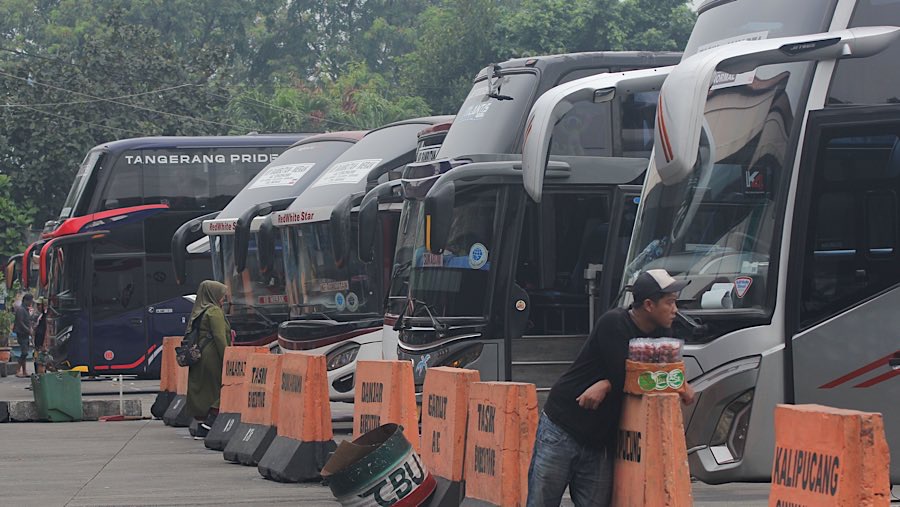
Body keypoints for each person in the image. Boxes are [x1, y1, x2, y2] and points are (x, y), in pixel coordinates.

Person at [526, 269, 696, 507]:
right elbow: (626, 375)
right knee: (541, 501)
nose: (675, 310)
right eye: (670, 303)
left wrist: (680, 383)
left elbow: (654, 377)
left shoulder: (662, 333)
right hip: (564, 427)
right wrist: (610, 382)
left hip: (600, 442)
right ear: (649, 305)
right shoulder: (614, 323)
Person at [184, 280, 231, 438]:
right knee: (221, 389)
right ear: (213, 294)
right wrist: (228, 358)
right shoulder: (214, 312)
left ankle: (201, 424)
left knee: (203, 390)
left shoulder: (198, 311)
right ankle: (208, 424)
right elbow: (219, 337)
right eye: (222, 295)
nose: (223, 299)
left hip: (199, 356)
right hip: (213, 357)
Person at [13, 293, 34, 378]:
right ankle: (18, 370)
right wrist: (28, 330)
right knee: (24, 352)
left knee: (25, 352)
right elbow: (20, 322)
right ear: (26, 300)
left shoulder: (25, 309)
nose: (31, 303)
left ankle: (24, 371)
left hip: (25, 333)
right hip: (21, 333)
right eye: (30, 301)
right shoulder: (21, 310)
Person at [33, 297, 49, 374]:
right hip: (38, 343)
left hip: (42, 344)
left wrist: (44, 344)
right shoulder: (40, 316)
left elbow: (46, 331)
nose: (37, 306)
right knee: (37, 361)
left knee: (41, 362)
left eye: (39, 305)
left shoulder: (46, 317)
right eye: (37, 304)